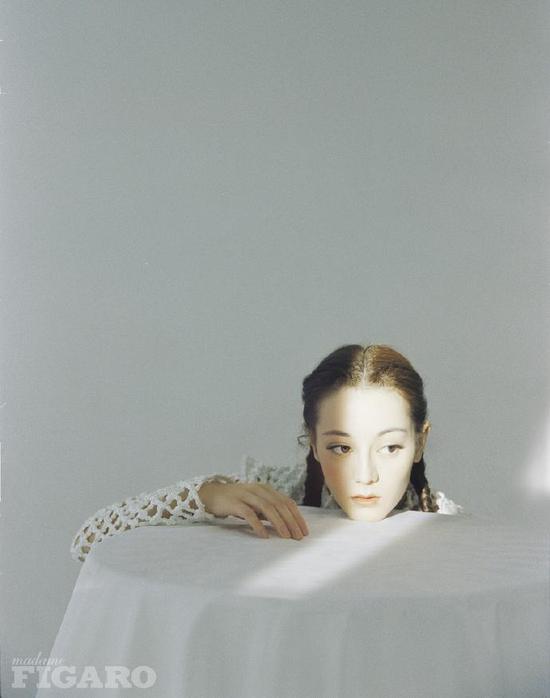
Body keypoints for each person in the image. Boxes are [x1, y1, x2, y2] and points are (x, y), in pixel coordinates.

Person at [71, 343, 464, 562]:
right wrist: (208, 496)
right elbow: (87, 542)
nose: (366, 475)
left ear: (420, 442)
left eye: (390, 447)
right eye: (341, 447)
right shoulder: (271, 496)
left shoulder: (451, 530)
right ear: (313, 442)